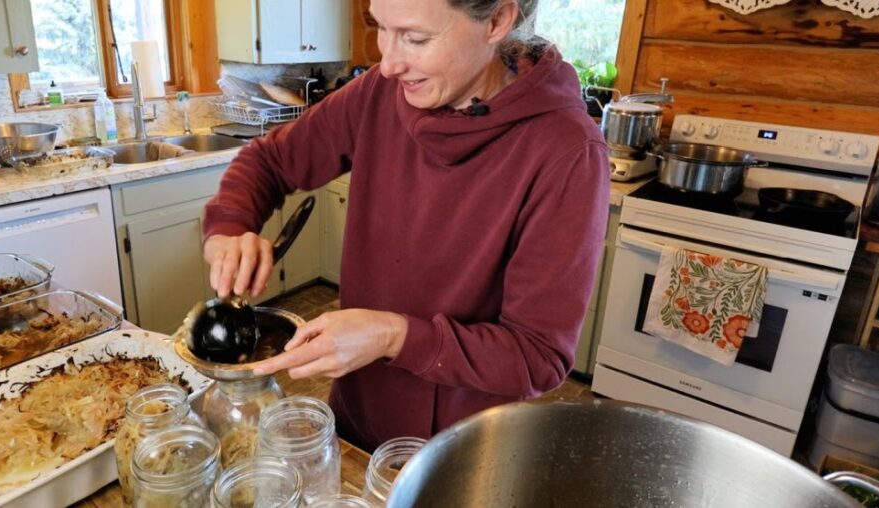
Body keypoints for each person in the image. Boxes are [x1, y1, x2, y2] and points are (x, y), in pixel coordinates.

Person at [201, 0, 609, 450]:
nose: (389, 64)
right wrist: (231, 225)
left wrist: (394, 336)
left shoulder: (567, 151)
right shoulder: (379, 92)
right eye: (381, 28)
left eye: (415, 38)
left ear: (496, 21)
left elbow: (537, 356)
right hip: (355, 423)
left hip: (462, 451)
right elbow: (271, 160)